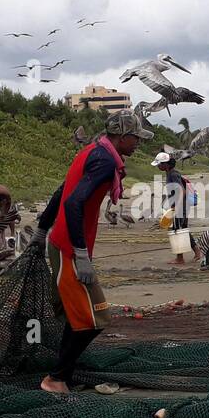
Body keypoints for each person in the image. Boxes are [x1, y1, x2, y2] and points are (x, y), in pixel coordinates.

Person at [35, 109, 154, 394]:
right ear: (122, 137)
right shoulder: (103, 161)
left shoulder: (93, 151)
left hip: (64, 245)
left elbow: (62, 190)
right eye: (136, 138)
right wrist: (81, 255)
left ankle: (62, 376)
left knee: (80, 317)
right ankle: (55, 379)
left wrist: (41, 230)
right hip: (68, 248)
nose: (138, 143)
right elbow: (72, 203)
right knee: (94, 318)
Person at [154, 151, 201, 265]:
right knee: (182, 229)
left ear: (166, 164)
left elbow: (181, 191)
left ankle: (180, 258)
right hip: (180, 206)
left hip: (180, 206)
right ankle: (197, 252)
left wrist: (176, 207)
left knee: (177, 230)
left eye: (159, 164)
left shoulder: (173, 174)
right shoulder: (170, 173)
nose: (158, 166)